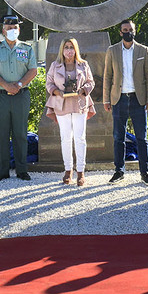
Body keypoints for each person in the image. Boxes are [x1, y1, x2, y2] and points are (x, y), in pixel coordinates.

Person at [102, 18, 148, 184]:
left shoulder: (143, 50)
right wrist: (106, 99)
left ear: (135, 31)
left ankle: (144, 172)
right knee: (118, 137)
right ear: (120, 32)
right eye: (124, 30)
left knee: (142, 138)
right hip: (119, 99)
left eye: (130, 29)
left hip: (138, 99)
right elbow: (107, 76)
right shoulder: (112, 51)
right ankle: (119, 171)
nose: (127, 32)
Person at [0, 15, 37, 182]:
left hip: (21, 95)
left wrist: (19, 84)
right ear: (3, 30)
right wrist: (6, 85)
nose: (12, 30)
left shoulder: (27, 48)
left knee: (20, 133)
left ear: (19, 29)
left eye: (14, 28)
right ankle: (2, 171)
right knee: (2, 133)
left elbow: (33, 70)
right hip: (0, 96)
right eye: (8, 28)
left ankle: (22, 170)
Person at [45, 37, 96, 186]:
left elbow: (90, 82)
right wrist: (56, 92)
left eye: (72, 47)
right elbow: (49, 83)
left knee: (80, 138)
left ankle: (81, 171)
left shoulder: (83, 64)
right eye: (66, 47)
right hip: (62, 105)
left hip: (79, 104)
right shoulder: (55, 65)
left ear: (76, 49)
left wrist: (84, 90)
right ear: (62, 49)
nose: (69, 50)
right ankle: (68, 170)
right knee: (65, 138)